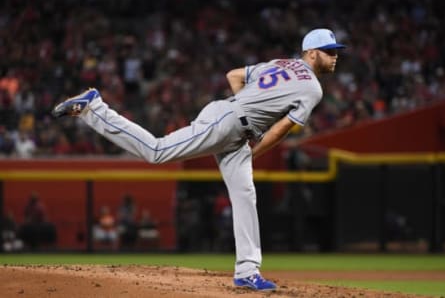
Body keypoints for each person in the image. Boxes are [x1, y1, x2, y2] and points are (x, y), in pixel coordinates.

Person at [51, 28, 345, 291]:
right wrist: (252, 142)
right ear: (311, 52)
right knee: (157, 151)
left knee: (245, 196)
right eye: (329, 51)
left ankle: (247, 271)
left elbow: (234, 75)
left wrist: (245, 109)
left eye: (336, 52)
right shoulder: (313, 88)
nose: (334, 57)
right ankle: (95, 109)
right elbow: (283, 128)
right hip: (229, 125)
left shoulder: (280, 63)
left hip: (232, 123)